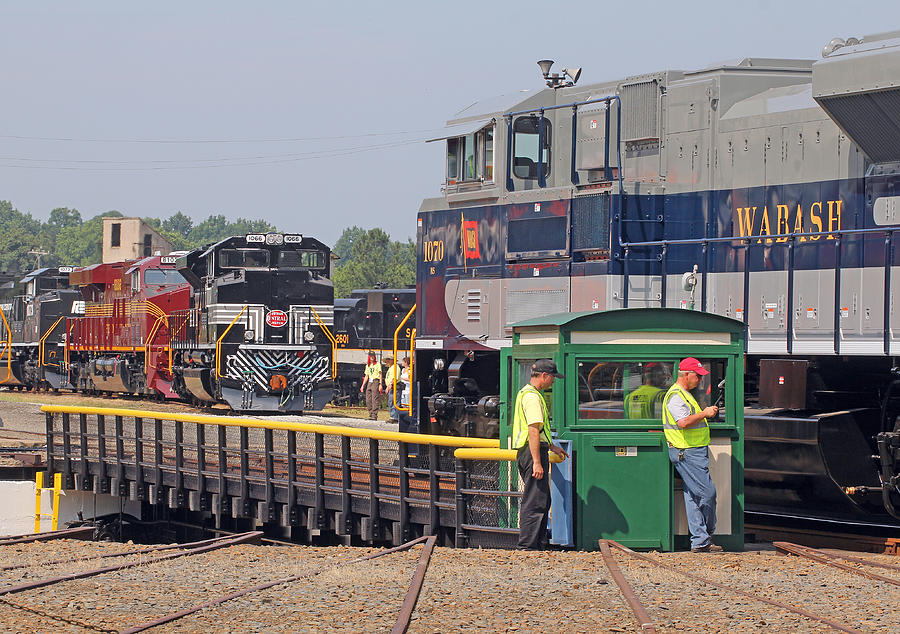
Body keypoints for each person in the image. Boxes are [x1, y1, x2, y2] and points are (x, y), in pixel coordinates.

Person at [662, 357, 721, 553]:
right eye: (697, 376)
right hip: (686, 451)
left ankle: (700, 541)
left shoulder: (684, 394)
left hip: (690, 450)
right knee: (707, 493)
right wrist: (705, 414)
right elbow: (683, 423)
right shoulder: (677, 396)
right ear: (686, 374)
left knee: (693, 497)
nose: (700, 380)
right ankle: (707, 534)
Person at [512, 358, 568, 550]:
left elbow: (537, 432)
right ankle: (528, 546)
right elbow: (534, 430)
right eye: (552, 377)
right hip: (532, 453)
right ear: (544, 375)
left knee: (541, 498)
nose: (553, 381)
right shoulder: (533, 397)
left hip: (530, 451)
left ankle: (537, 543)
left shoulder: (526, 393)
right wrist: (537, 462)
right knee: (535, 501)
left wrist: (551, 447)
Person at [359, 351, 382, 420]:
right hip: (370, 381)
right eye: (371, 356)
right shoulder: (368, 365)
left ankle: (374, 415)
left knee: (374, 398)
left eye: (373, 356)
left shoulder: (378, 364)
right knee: (368, 398)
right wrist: (363, 385)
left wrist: (380, 384)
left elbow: (380, 374)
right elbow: (366, 376)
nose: (372, 357)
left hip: (375, 380)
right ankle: (370, 413)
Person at [383, 356, 398, 423]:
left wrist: (389, 386)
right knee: (391, 402)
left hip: (394, 387)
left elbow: (395, 378)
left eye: (388, 360)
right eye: (387, 360)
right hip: (392, 387)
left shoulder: (395, 367)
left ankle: (395, 417)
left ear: (392, 360)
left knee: (394, 402)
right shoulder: (391, 368)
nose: (387, 361)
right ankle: (393, 417)